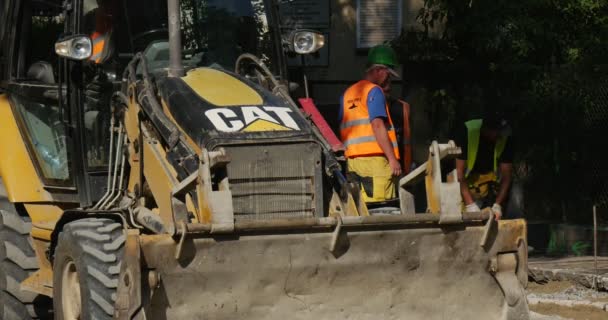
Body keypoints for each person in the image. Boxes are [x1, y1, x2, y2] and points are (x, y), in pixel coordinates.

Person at [339, 44, 401, 203]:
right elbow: (378, 125)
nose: (389, 79)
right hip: (376, 162)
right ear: (379, 70)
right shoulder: (374, 91)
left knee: (360, 207)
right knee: (381, 208)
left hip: (353, 162)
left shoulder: (347, 93)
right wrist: (392, 158)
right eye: (388, 74)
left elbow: (342, 124)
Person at [455, 111, 514, 220]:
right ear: (486, 130)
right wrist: (470, 205)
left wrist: (497, 205)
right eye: (497, 132)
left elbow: (507, 176)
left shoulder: (505, 137)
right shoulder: (467, 131)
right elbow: (459, 173)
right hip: (466, 184)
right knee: (463, 218)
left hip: (491, 185)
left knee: (515, 196)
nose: (501, 136)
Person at [382, 80, 413, 175]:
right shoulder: (367, 107)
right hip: (379, 161)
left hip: (400, 162)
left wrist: (407, 168)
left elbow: (407, 139)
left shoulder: (402, 107)